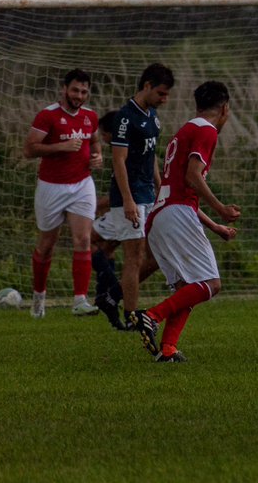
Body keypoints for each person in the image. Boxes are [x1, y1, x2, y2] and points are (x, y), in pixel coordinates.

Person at [137, 81, 241, 362]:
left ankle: (168, 349)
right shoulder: (207, 131)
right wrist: (220, 209)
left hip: (163, 213)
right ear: (225, 108)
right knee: (211, 283)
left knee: (189, 287)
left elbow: (184, 190)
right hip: (176, 213)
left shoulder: (186, 129)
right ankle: (151, 316)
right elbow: (193, 177)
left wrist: (215, 226)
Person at [92, 63, 174, 330]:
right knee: (134, 256)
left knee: (158, 256)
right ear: (147, 85)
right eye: (161, 93)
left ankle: (112, 295)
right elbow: (119, 161)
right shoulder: (126, 117)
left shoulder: (152, 117)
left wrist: (163, 189)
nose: (165, 99)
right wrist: (127, 200)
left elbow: (150, 159)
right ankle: (131, 316)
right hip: (130, 196)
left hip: (148, 194)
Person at [23, 69, 104, 318]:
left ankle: (79, 300)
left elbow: (95, 141)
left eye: (84, 91)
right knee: (47, 244)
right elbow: (29, 149)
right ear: (64, 89)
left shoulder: (90, 116)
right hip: (51, 186)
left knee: (83, 240)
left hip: (82, 184)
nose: (79, 96)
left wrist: (97, 156)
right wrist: (62, 146)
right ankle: (38, 298)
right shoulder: (48, 115)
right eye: (75, 90)